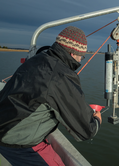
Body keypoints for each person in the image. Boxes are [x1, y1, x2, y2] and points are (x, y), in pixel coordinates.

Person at [0, 26, 102, 166]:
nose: (80, 60)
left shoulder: (38, 59)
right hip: (16, 143)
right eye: (81, 56)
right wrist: (96, 120)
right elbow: (86, 130)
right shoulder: (60, 76)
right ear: (73, 54)